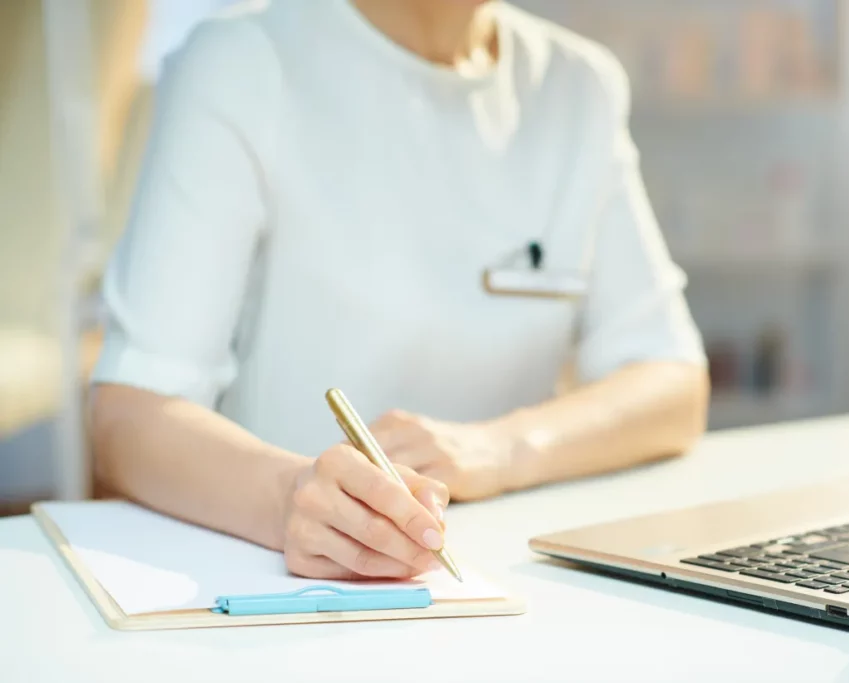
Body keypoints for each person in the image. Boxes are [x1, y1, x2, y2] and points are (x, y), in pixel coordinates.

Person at [88, 0, 710, 582]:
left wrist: (497, 449)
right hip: (296, 590)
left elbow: (673, 384)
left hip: (509, 580)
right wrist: (287, 498)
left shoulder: (578, 85)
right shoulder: (244, 63)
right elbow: (129, 415)